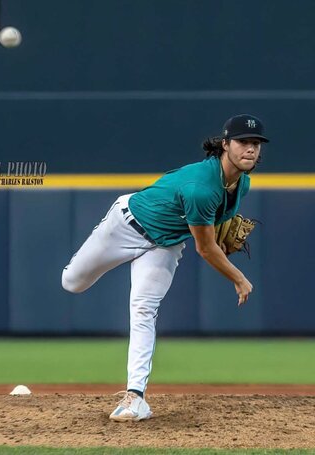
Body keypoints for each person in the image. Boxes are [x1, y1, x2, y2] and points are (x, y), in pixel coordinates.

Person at [62, 114, 269, 422]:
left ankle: (135, 397)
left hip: (165, 244)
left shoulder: (243, 183)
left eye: (256, 143)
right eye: (242, 142)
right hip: (126, 224)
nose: (250, 149)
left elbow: (213, 227)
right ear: (225, 145)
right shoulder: (201, 186)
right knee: (72, 282)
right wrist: (238, 278)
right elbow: (205, 247)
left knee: (144, 308)